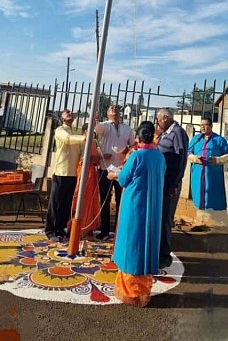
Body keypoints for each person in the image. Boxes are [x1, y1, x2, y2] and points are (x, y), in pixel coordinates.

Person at [110, 121, 166, 307]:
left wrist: (114, 174)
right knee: (146, 242)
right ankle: (143, 291)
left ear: (139, 137)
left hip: (134, 205)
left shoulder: (137, 156)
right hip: (153, 205)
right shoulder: (159, 156)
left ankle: (131, 293)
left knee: (131, 242)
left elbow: (124, 178)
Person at [94, 105, 135, 241]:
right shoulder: (105, 126)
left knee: (120, 200)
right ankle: (104, 230)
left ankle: (119, 230)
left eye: (116, 108)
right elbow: (96, 129)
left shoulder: (126, 128)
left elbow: (133, 146)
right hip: (105, 168)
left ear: (120, 113)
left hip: (121, 170)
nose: (113, 109)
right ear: (107, 113)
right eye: (110, 108)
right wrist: (96, 119)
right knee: (104, 201)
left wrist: (126, 151)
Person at [45, 109, 85, 241]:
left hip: (72, 173)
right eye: (66, 113)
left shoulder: (74, 132)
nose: (69, 113)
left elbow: (79, 149)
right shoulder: (60, 130)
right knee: (56, 202)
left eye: (70, 113)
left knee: (66, 203)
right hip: (61, 171)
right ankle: (50, 230)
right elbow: (68, 140)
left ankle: (60, 229)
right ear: (62, 117)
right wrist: (85, 136)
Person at [157, 108, 189, 268]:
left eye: (158, 119)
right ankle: (159, 252)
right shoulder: (166, 133)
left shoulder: (177, 133)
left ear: (164, 118)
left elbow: (182, 159)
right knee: (161, 217)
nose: (157, 122)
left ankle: (164, 256)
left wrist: (174, 183)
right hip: (163, 183)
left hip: (170, 184)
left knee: (166, 219)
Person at [188, 117, 228, 211]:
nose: (203, 127)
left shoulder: (219, 140)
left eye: (206, 125)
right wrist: (194, 158)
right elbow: (188, 153)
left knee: (213, 197)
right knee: (198, 195)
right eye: (201, 125)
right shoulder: (196, 139)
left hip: (212, 175)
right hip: (198, 174)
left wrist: (218, 160)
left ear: (211, 126)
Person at [69, 123, 101, 237]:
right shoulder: (82, 142)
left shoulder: (94, 143)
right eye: (90, 131)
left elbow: (96, 158)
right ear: (84, 132)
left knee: (91, 199)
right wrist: (100, 157)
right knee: (81, 197)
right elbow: (84, 158)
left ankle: (88, 226)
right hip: (83, 171)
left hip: (92, 172)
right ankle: (76, 227)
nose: (93, 133)